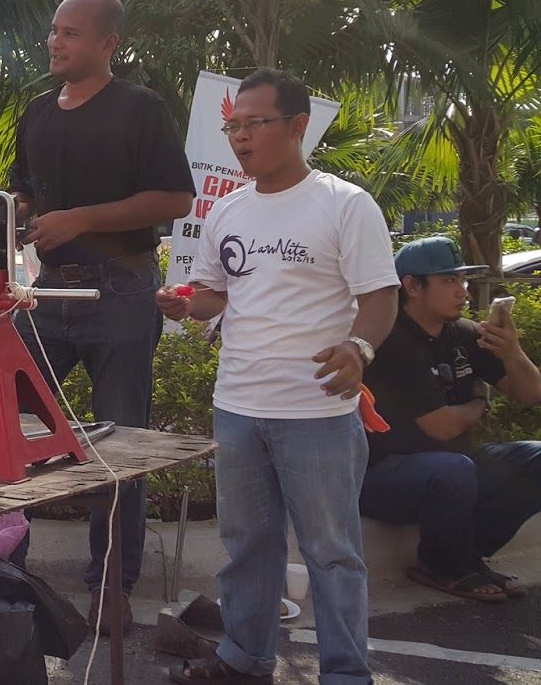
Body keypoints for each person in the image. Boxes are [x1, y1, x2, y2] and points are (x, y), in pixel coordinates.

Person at [158, 69, 398, 685]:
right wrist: (186, 305)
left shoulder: (345, 204)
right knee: (246, 546)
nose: (240, 138)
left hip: (317, 412)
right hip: (238, 405)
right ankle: (245, 658)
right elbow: (214, 295)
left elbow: (380, 295)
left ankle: (346, 674)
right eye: (233, 127)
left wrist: (359, 347)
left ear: (297, 127)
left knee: (332, 554)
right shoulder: (227, 211)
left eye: (254, 124)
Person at [8, 0, 195, 630]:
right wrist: (10, 213)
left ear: (108, 43)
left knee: (120, 445)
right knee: (8, 430)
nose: (55, 42)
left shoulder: (140, 108)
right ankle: (3, 569)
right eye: (54, 30)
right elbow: (25, 192)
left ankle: (111, 585)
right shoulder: (36, 111)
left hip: (121, 291)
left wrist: (81, 218)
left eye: (72, 33)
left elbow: (175, 199)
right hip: (47, 293)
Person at [358, 236, 541, 602]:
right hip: (380, 477)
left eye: (463, 280)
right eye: (449, 281)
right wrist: (480, 403)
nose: (463, 291)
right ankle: (442, 564)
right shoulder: (391, 340)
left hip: (454, 470)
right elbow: (440, 427)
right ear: (412, 286)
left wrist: (512, 352)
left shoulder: (464, 333)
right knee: (452, 469)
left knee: (535, 458)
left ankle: (468, 555)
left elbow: (532, 394)